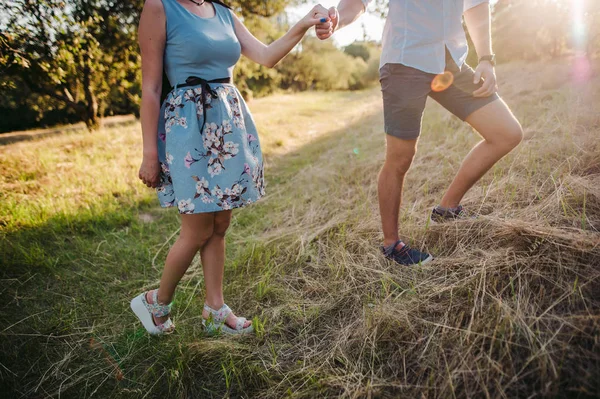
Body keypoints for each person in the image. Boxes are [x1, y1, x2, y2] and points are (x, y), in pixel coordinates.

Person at [131, 0, 330, 335]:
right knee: (196, 229)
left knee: (220, 223)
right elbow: (150, 88)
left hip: (226, 125)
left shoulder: (224, 12)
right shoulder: (160, 7)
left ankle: (214, 310)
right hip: (187, 126)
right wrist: (150, 152)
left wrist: (303, 23)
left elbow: (266, 56)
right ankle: (155, 301)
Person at [315, 0, 523, 266]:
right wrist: (337, 21)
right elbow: (357, 2)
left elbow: (475, 4)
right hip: (405, 60)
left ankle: (448, 208)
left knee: (507, 132)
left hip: (451, 61)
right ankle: (392, 245)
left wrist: (485, 58)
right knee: (401, 157)